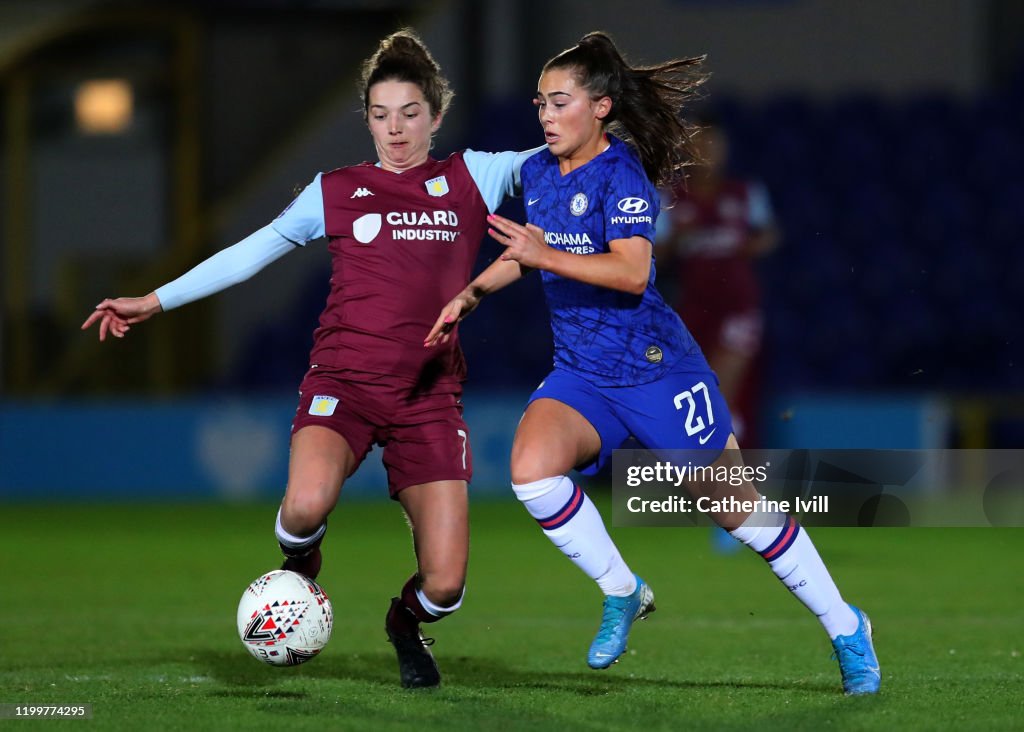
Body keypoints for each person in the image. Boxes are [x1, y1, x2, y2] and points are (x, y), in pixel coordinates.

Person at [81, 29, 542, 690]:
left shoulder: (475, 175)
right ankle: (301, 568)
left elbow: (563, 157)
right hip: (343, 384)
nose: (396, 129)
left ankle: (404, 624)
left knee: (445, 585)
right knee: (302, 506)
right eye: (381, 115)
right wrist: (156, 300)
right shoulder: (335, 190)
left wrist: (611, 114)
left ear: (435, 116)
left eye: (410, 113)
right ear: (367, 120)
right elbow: (251, 253)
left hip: (428, 397)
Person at [426, 32, 879, 695]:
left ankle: (846, 626)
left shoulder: (623, 175)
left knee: (736, 509)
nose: (545, 116)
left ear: (601, 107)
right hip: (583, 374)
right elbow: (529, 251)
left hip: (657, 371)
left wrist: (541, 254)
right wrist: (467, 297)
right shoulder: (544, 173)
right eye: (540, 102)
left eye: (560, 102)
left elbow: (633, 273)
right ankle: (623, 589)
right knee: (530, 470)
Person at [658, 116, 779, 447]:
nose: (706, 151)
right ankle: (704, 479)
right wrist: (677, 241)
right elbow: (652, 253)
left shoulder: (744, 192)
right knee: (692, 394)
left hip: (738, 304)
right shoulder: (669, 197)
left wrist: (745, 244)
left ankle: (727, 479)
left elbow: (768, 235)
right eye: (699, 143)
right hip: (691, 307)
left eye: (713, 144)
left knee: (724, 391)